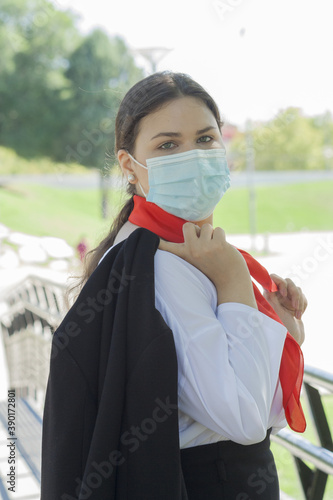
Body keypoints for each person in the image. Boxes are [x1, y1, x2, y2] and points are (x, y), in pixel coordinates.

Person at [41, 71, 307, 500]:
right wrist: (235, 282)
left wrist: (284, 327)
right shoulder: (163, 267)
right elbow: (246, 421)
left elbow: (258, 401)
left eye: (205, 139)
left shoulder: (170, 250)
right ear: (130, 166)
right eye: (168, 145)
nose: (194, 156)